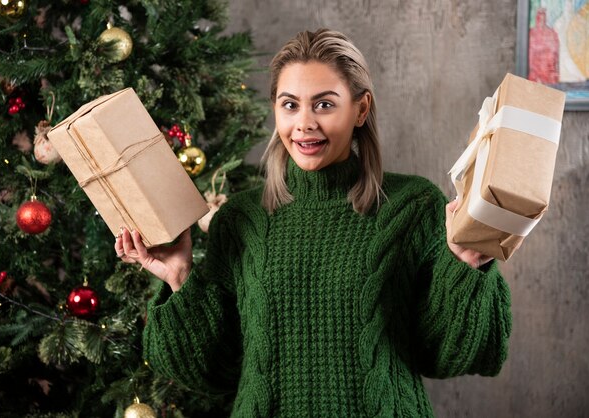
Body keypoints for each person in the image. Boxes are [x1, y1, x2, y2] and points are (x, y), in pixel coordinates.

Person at [115, 29, 511, 417]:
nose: (304, 124)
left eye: (324, 105)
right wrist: (180, 276)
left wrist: (466, 266)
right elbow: (211, 369)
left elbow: (447, 357)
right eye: (290, 105)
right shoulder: (240, 219)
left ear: (361, 109)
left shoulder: (413, 206)